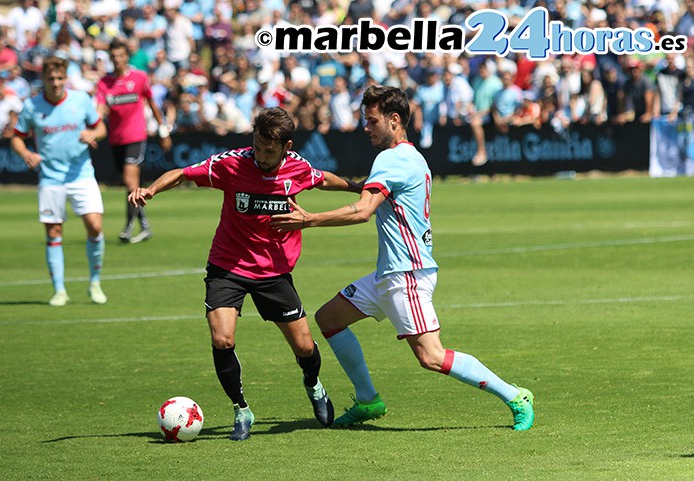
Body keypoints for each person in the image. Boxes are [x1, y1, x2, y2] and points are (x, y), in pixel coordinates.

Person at [270, 86, 535, 430]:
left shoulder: (391, 159)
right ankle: (368, 400)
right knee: (330, 319)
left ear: (394, 120)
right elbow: (368, 190)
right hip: (391, 272)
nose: (366, 127)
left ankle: (515, 396)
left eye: (372, 120)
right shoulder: (411, 157)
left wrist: (309, 219)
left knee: (431, 355)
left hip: (407, 274)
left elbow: (364, 210)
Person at [127, 107, 362, 441]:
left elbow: (322, 179)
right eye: (258, 146)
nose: (262, 156)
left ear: (287, 146)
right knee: (222, 338)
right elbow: (182, 173)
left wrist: (356, 188)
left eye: (270, 151)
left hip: (273, 272)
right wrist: (151, 190)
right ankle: (241, 409)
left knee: (305, 347)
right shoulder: (232, 163)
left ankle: (314, 385)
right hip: (227, 266)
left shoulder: (297, 167)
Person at [11, 56, 108, 307]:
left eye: (59, 78)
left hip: (81, 174)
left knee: (95, 226)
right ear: (43, 79)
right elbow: (17, 137)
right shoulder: (32, 106)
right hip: (51, 177)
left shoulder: (80, 100)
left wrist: (91, 133)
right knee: (53, 232)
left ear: (66, 78)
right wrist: (26, 154)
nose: (55, 83)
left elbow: (101, 129)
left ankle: (95, 282)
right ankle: (59, 290)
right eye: (50, 78)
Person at [96, 38, 172, 244]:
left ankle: (129, 227)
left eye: (121, 56)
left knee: (131, 183)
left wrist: (163, 131)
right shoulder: (105, 83)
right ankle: (145, 226)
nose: (118, 60)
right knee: (129, 185)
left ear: (126, 57)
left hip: (136, 136)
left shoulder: (139, 78)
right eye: (114, 57)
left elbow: (153, 104)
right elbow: (100, 109)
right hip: (115, 139)